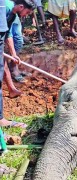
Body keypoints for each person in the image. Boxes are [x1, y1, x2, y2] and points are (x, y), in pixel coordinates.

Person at [0, 0, 35, 128]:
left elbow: (7, 33)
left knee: (3, 65)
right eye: (26, 12)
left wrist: (13, 53)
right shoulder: (6, 7)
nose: (25, 15)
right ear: (21, 7)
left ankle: (12, 89)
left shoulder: (13, 14)